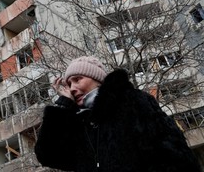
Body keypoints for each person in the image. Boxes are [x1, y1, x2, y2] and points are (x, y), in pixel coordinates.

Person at [34, 56, 201, 172]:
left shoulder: (132, 101)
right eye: (69, 83)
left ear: (97, 78)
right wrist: (63, 106)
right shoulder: (78, 121)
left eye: (78, 79)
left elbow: (172, 154)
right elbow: (48, 155)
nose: (71, 88)